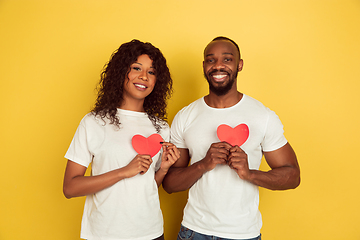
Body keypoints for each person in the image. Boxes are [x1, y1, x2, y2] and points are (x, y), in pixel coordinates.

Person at [162, 36, 300, 240]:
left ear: (239, 65)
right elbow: (169, 184)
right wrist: (203, 164)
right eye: (211, 60)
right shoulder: (186, 116)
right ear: (204, 66)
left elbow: (293, 176)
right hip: (194, 231)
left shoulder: (263, 116)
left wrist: (250, 174)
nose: (218, 65)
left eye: (227, 59)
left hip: (243, 234)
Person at [63, 39, 180, 240]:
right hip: (105, 234)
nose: (144, 76)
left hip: (151, 232)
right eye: (136, 68)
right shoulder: (94, 122)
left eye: (151, 72)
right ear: (120, 72)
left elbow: (148, 185)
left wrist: (164, 169)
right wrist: (123, 172)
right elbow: (70, 187)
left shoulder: (161, 127)